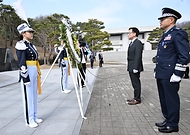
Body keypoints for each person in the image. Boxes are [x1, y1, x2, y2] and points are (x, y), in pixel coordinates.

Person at [155, 8, 189, 133]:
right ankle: (168, 119)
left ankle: (173, 124)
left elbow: (184, 55)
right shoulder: (166, 35)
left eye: (163, 19)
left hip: (170, 74)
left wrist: (178, 74)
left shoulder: (178, 33)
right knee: (163, 98)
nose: (160, 21)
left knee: (171, 99)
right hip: (162, 72)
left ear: (171, 20)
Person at [15, 23, 43, 128]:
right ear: (23, 33)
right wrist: (25, 77)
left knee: (34, 96)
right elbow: (22, 62)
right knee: (28, 97)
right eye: (29, 32)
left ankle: (34, 116)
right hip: (27, 70)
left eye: (31, 32)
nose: (31, 33)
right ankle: (29, 120)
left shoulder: (31, 45)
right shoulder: (21, 44)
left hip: (34, 69)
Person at [126, 27, 144, 105]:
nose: (128, 34)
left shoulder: (138, 43)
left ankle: (137, 99)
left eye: (130, 33)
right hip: (131, 66)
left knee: (136, 83)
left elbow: (138, 56)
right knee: (134, 83)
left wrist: (136, 67)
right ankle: (135, 96)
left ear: (134, 34)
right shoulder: (132, 43)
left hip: (134, 67)